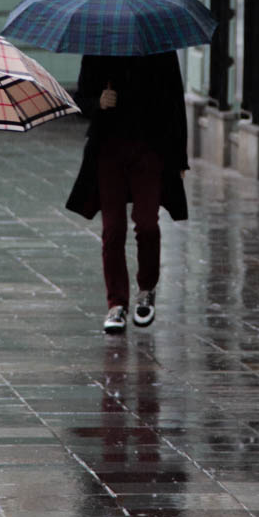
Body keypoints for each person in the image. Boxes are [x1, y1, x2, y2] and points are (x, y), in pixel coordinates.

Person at [65, 51, 188, 335]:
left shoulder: (161, 50)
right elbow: (80, 99)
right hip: (108, 151)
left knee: (147, 224)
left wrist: (179, 158)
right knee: (113, 229)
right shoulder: (98, 49)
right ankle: (116, 304)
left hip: (150, 149)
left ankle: (146, 289)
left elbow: (175, 102)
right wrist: (98, 103)